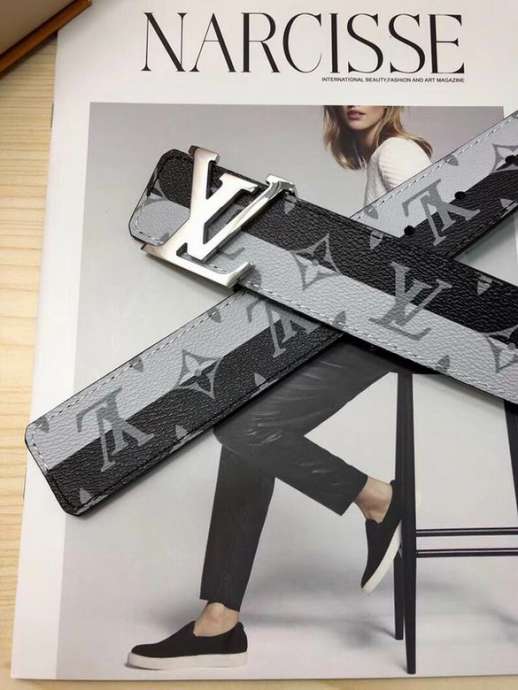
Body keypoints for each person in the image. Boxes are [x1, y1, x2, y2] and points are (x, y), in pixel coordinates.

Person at [127, 106, 432, 670]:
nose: (355, 102)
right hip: (366, 325)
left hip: (386, 332)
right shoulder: (379, 159)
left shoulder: (396, 152)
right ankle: (220, 622)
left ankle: (378, 498)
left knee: (244, 427)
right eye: (343, 95)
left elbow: (437, 239)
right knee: (245, 431)